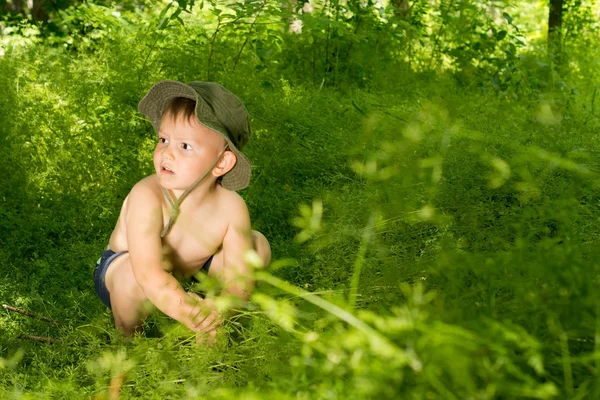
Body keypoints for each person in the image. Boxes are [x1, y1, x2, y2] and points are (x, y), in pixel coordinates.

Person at [93, 80, 271, 338]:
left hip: (191, 273)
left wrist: (218, 311)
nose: (166, 153)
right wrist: (189, 313)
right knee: (130, 276)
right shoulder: (147, 196)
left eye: (184, 146)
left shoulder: (231, 207)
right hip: (132, 276)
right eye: (163, 139)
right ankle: (130, 342)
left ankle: (212, 323)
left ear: (221, 163)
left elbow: (240, 279)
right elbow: (148, 273)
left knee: (256, 246)